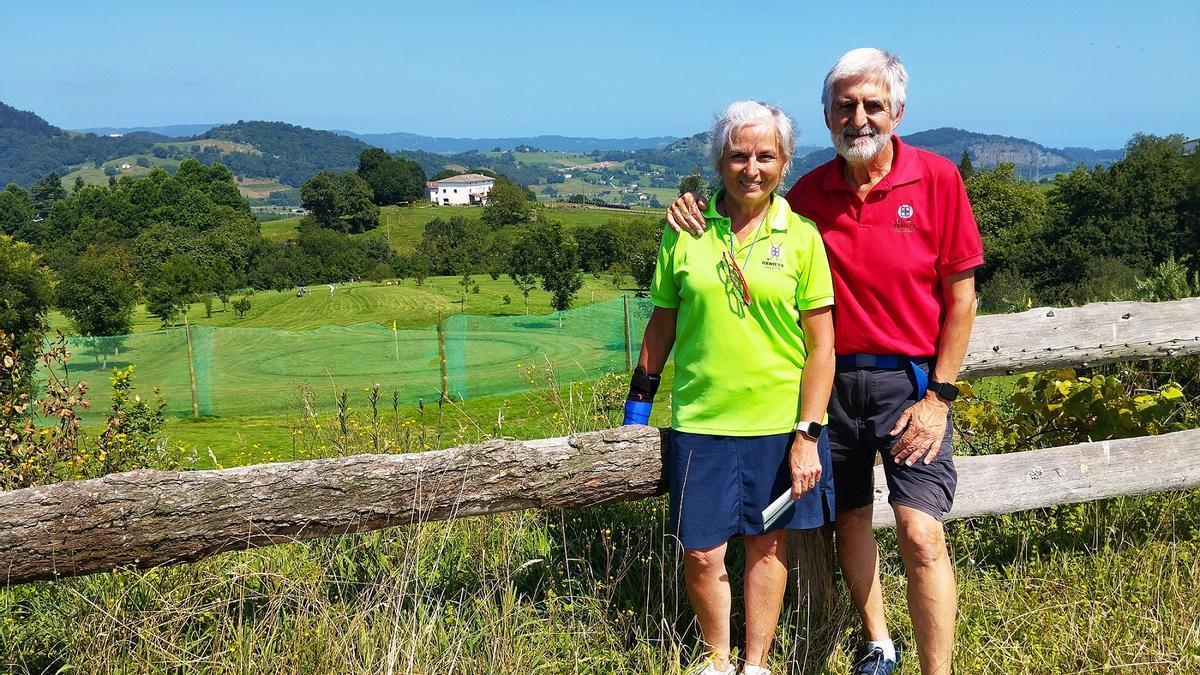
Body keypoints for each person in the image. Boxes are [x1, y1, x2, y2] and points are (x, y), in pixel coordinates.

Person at [666, 49, 982, 675]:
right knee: (851, 522)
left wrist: (939, 398)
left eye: (871, 104)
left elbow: (963, 297)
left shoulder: (938, 179)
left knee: (921, 533)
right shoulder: (810, 192)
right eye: (845, 106)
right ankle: (878, 643)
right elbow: (748, 219)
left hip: (909, 384)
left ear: (897, 110)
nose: (859, 117)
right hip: (830, 389)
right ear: (828, 114)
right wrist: (689, 211)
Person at [625, 100, 836, 675]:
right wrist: (635, 411)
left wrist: (807, 434)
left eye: (766, 155)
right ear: (720, 161)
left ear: (785, 162)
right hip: (701, 421)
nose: (752, 167)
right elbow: (662, 323)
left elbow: (822, 347)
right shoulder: (686, 231)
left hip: (777, 423)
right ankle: (717, 659)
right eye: (739, 155)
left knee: (767, 546)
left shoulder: (802, 238)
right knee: (701, 551)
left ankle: (757, 662)